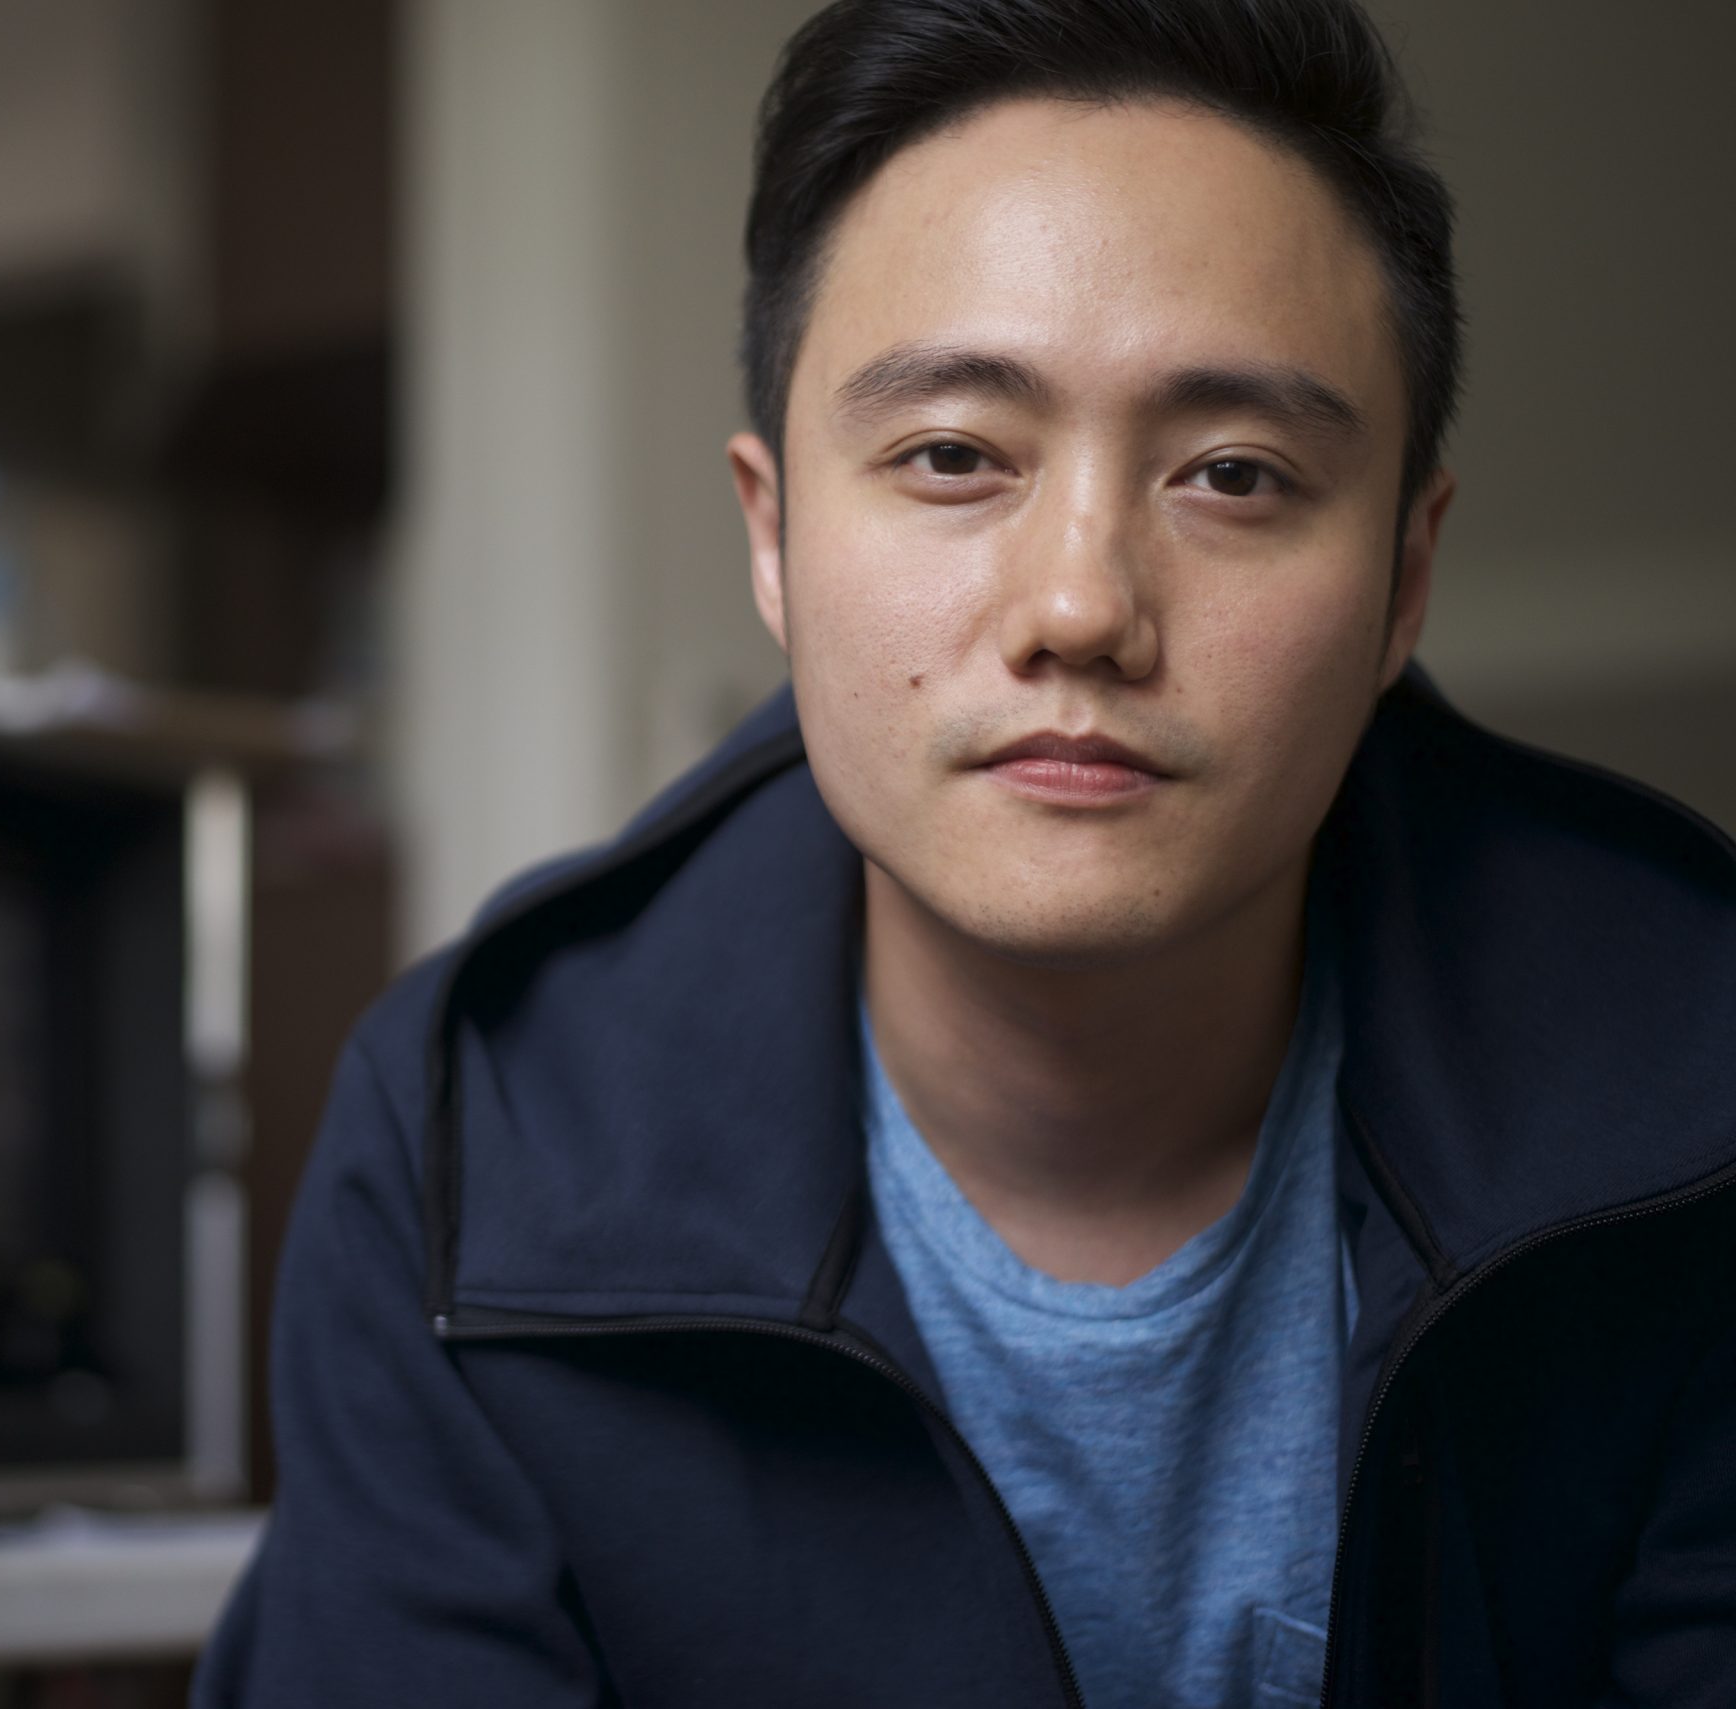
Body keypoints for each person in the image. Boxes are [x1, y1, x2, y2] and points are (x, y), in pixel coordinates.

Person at [195, 0, 1736, 1702]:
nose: (1080, 605)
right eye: (952, 456)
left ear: (1404, 579)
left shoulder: (1693, 1088)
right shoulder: (472, 1150)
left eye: (1232, 473)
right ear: (774, 534)